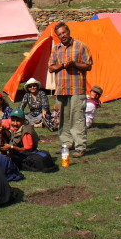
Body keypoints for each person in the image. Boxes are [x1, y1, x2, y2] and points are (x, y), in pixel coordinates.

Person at [47, 22, 93, 158]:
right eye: (59, 34)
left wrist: (74, 64)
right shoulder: (56, 49)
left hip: (77, 88)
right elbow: (51, 68)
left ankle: (80, 146)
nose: (62, 36)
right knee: (63, 118)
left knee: (77, 117)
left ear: (68, 31)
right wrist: (62, 65)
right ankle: (67, 144)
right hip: (61, 89)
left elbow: (88, 66)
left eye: (64, 33)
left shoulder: (80, 46)